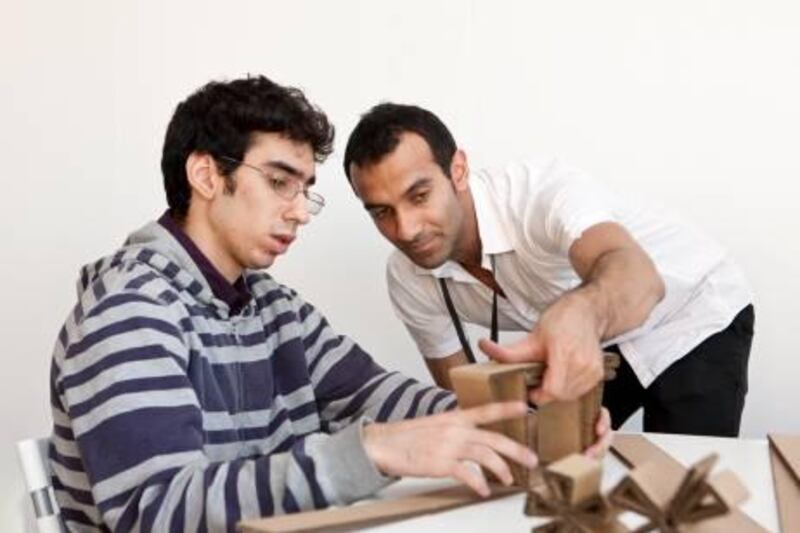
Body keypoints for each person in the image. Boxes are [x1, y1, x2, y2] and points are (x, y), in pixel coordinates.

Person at [49, 76, 602, 532]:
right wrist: (372, 453)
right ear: (206, 175)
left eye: (304, 189)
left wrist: (522, 425)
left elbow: (374, 395)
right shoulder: (128, 312)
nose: (299, 211)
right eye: (278, 182)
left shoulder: (272, 309)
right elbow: (157, 512)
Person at [343, 102, 754, 437]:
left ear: (458, 170)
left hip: (693, 313)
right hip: (602, 339)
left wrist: (579, 313)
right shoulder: (407, 277)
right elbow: (462, 395)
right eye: (382, 212)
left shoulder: (543, 194)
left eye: (419, 195)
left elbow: (636, 276)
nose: (406, 230)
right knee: (552, 461)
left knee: (682, 488)